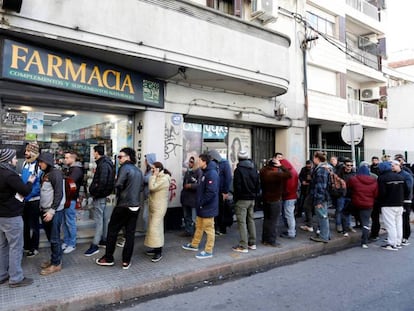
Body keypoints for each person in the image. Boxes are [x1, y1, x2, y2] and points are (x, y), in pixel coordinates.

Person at [96, 148, 143, 269]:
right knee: (130, 234)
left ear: (128, 157)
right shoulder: (138, 171)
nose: (119, 159)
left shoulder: (125, 168)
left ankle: (108, 257)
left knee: (112, 230)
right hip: (135, 206)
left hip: (123, 205)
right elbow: (141, 188)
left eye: (120, 156)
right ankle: (126, 261)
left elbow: (118, 184)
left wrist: (117, 185)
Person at [0, 149, 35, 287]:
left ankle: (2, 275)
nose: (16, 161)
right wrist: (30, 181)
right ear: (8, 160)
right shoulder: (9, 175)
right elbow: (25, 191)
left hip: (1, 216)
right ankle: (16, 278)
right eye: (14, 158)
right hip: (11, 216)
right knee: (16, 247)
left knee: (2, 246)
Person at [182, 153, 219, 259]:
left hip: (207, 207)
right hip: (202, 206)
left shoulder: (211, 174)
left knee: (209, 229)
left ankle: (208, 250)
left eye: (199, 160)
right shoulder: (205, 172)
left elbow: (211, 192)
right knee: (199, 226)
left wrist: (201, 202)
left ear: (204, 162)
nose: (197, 162)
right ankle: (194, 244)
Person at [37, 152, 65, 275]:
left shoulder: (56, 174)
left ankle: (56, 264)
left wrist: (51, 211)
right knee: (51, 238)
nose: (39, 164)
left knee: (54, 238)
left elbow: (59, 194)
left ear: (47, 162)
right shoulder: (46, 173)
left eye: (41, 162)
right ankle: (55, 259)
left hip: (54, 212)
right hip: (46, 210)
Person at [85, 145, 115, 256]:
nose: (93, 154)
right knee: (104, 219)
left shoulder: (102, 165)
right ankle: (104, 240)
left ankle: (95, 245)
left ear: (97, 152)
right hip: (107, 196)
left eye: (94, 152)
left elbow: (102, 182)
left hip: (100, 197)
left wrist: (95, 193)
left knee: (99, 221)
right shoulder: (108, 163)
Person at [259, 156, 291, 247]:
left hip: (265, 199)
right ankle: (271, 240)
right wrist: (281, 166)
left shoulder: (263, 171)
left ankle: (265, 239)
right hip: (275, 200)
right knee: (273, 221)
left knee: (266, 220)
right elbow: (289, 175)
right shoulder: (275, 174)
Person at [232, 150, 259, 253]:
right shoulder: (253, 168)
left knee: (242, 222)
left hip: (242, 199)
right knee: (250, 220)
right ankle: (252, 243)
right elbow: (258, 183)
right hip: (252, 198)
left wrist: (236, 198)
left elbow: (237, 186)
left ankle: (243, 245)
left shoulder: (238, 170)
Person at [144, 161, 171, 262]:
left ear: (158, 169)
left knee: (155, 228)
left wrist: (153, 176)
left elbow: (152, 187)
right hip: (154, 206)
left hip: (159, 207)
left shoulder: (164, 179)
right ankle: (155, 248)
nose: (152, 171)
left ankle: (158, 251)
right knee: (155, 228)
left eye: (153, 169)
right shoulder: (159, 177)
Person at [377, 161, 407, 251]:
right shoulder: (400, 177)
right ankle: (398, 242)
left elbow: (382, 193)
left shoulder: (382, 178)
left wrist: (380, 201)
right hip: (400, 204)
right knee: (398, 224)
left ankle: (391, 243)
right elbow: (407, 190)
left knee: (390, 225)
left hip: (388, 204)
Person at [347, 165, 378, 248]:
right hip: (368, 204)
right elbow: (376, 194)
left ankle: (344, 230)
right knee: (366, 223)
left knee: (344, 213)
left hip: (355, 202)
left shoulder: (353, 179)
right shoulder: (374, 181)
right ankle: (364, 241)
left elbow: (349, 188)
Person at [21, 142, 42, 258]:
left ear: (33, 153)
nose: (25, 153)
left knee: (34, 225)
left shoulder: (38, 166)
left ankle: (34, 248)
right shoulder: (25, 163)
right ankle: (26, 245)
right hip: (24, 199)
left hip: (33, 200)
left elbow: (38, 186)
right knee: (24, 225)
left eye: (28, 151)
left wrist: (26, 196)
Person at [62, 151, 84, 254]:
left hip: (70, 198)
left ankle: (72, 243)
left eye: (67, 158)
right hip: (67, 198)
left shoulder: (76, 170)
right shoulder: (71, 169)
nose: (65, 159)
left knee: (70, 222)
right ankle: (67, 241)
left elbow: (69, 183)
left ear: (72, 159)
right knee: (66, 222)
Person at [208, 149, 232, 236]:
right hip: (215, 190)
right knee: (216, 209)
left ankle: (222, 228)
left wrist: (225, 191)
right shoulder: (215, 164)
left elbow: (228, 177)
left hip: (221, 191)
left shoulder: (224, 163)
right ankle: (216, 227)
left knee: (221, 210)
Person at [308, 151, 331, 243]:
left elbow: (321, 186)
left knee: (322, 216)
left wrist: (318, 201)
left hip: (320, 197)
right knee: (323, 216)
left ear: (317, 159)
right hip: (323, 196)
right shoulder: (326, 168)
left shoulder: (321, 169)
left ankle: (323, 236)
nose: (313, 160)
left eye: (314, 157)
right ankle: (326, 234)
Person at [391, 159, 413, 246]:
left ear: (398, 165)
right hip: (397, 200)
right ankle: (398, 237)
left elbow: (408, 188)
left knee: (404, 219)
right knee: (398, 220)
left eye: (393, 166)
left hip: (405, 200)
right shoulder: (394, 174)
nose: (391, 167)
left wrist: (403, 197)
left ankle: (405, 237)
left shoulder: (406, 175)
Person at [180, 156, 202, 237]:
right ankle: (188, 231)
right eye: (189, 161)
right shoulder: (188, 171)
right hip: (186, 197)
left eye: (192, 162)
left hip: (193, 198)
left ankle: (195, 234)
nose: (190, 163)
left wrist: (191, 186)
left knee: (194, 218)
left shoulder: (199, 172)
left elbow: (200, 185)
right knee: (186, 216)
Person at [136, 153, 157, 234]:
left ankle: (149, 232)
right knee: (146, 216)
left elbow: (148, 180)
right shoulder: (148, 170)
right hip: (146, 196)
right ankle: (148, 231)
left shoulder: (153, 170)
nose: (145, 162)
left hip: (150, 196)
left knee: (146, 216)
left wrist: (141, 177)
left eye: (146, 160)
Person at [336, 158, 356, 236]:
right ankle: (339, 225)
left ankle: (348, 225)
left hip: (350, 194)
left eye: (351, 165)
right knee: (339, 210)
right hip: (341, 194)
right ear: (344, 165)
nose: (349, 167)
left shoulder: (354, 173)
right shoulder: (339, 173)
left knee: (348, 211)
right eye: (348, 165)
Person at [280, 157, 299, 239]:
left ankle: (291, 232)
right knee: (289, 214)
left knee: (289, 215)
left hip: (289, 197)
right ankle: (291, 230)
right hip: (292, 196)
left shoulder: (290, 173)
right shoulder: (293, 171)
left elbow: (288, 187)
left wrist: (283, 193)